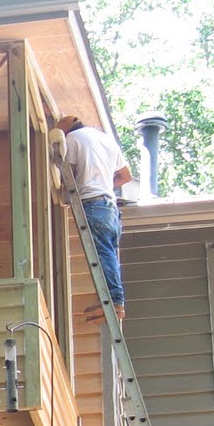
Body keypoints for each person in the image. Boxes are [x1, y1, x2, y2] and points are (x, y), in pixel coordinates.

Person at [51, 114, 133, 322]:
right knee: (109, 255)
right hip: (111, 208)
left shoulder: (72, 139)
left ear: (67, 127)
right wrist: (101, 182)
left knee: (103, 254)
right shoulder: (106, 139)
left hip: (93, 204)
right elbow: (125, 176)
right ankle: (114, 301)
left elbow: (69, 174)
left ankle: (115, 302)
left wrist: (84, 186)